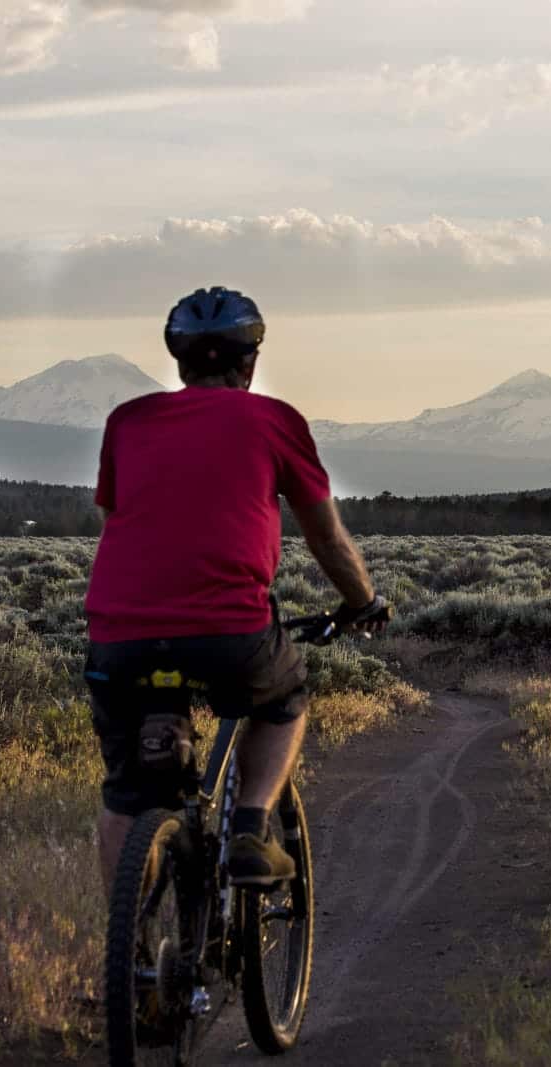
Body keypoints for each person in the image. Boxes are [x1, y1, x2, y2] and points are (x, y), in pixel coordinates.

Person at [83, 286, 390, 892]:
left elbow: (114, 518)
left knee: (127, 794)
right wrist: (362, 603)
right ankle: (250, 827)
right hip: (230, 632)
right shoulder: (275, 421)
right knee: (283, 699)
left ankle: (129, 958)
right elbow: (327, 539)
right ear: (249, 362)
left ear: (180, 361)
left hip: (120, 636)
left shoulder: (127, 422)